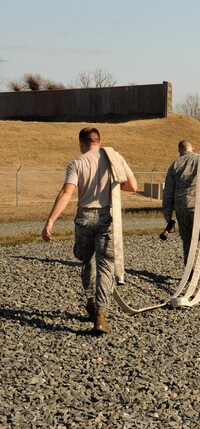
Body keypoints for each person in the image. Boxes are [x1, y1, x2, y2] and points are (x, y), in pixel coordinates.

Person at [41, 127, 137, 334]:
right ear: (99, 142)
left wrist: (50, 221)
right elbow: (132, 186)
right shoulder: (114, 158)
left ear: (82, 144)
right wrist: (109, 185)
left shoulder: (77, 163)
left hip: (84, 217)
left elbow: (67, 192)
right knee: (105, 266)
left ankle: (91, 301)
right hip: (106, 217)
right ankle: (102, 315)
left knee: (87, 261)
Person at [162, 140, 200, 266]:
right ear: (193, 148)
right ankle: (198, 264)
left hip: (181, 208)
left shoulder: (174, 165)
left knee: (186, 239)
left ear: (179, 151)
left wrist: (167, 212)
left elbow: (168, 190)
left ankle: (189, 266)